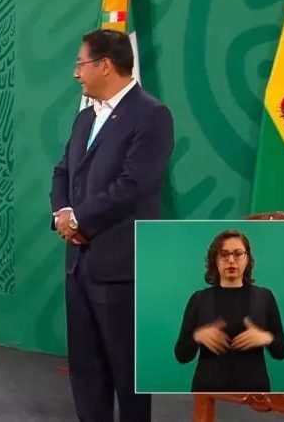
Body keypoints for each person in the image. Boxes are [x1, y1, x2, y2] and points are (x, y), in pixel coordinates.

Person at [50, 29, 174, 421]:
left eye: (80, 63)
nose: (76, 73)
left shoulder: (151, 115)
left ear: (105, 65)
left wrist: (80, 218)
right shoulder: (84, 117)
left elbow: (134, 186)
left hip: (121, 264)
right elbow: (63, 172)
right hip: (78, 262)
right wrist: (62, 214)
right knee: (86, 366)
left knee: (126, 368)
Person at [174, 229, 284, 392]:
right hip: (208, 391)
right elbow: (181, 355)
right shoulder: (199, 299)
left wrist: (266, 338)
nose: (231, 260)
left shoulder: (264, 297)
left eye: (238, 254)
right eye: (224, 254)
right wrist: (197, 336)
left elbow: (281, 352)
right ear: (215, 260)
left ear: (247, 258)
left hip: (254, 392)